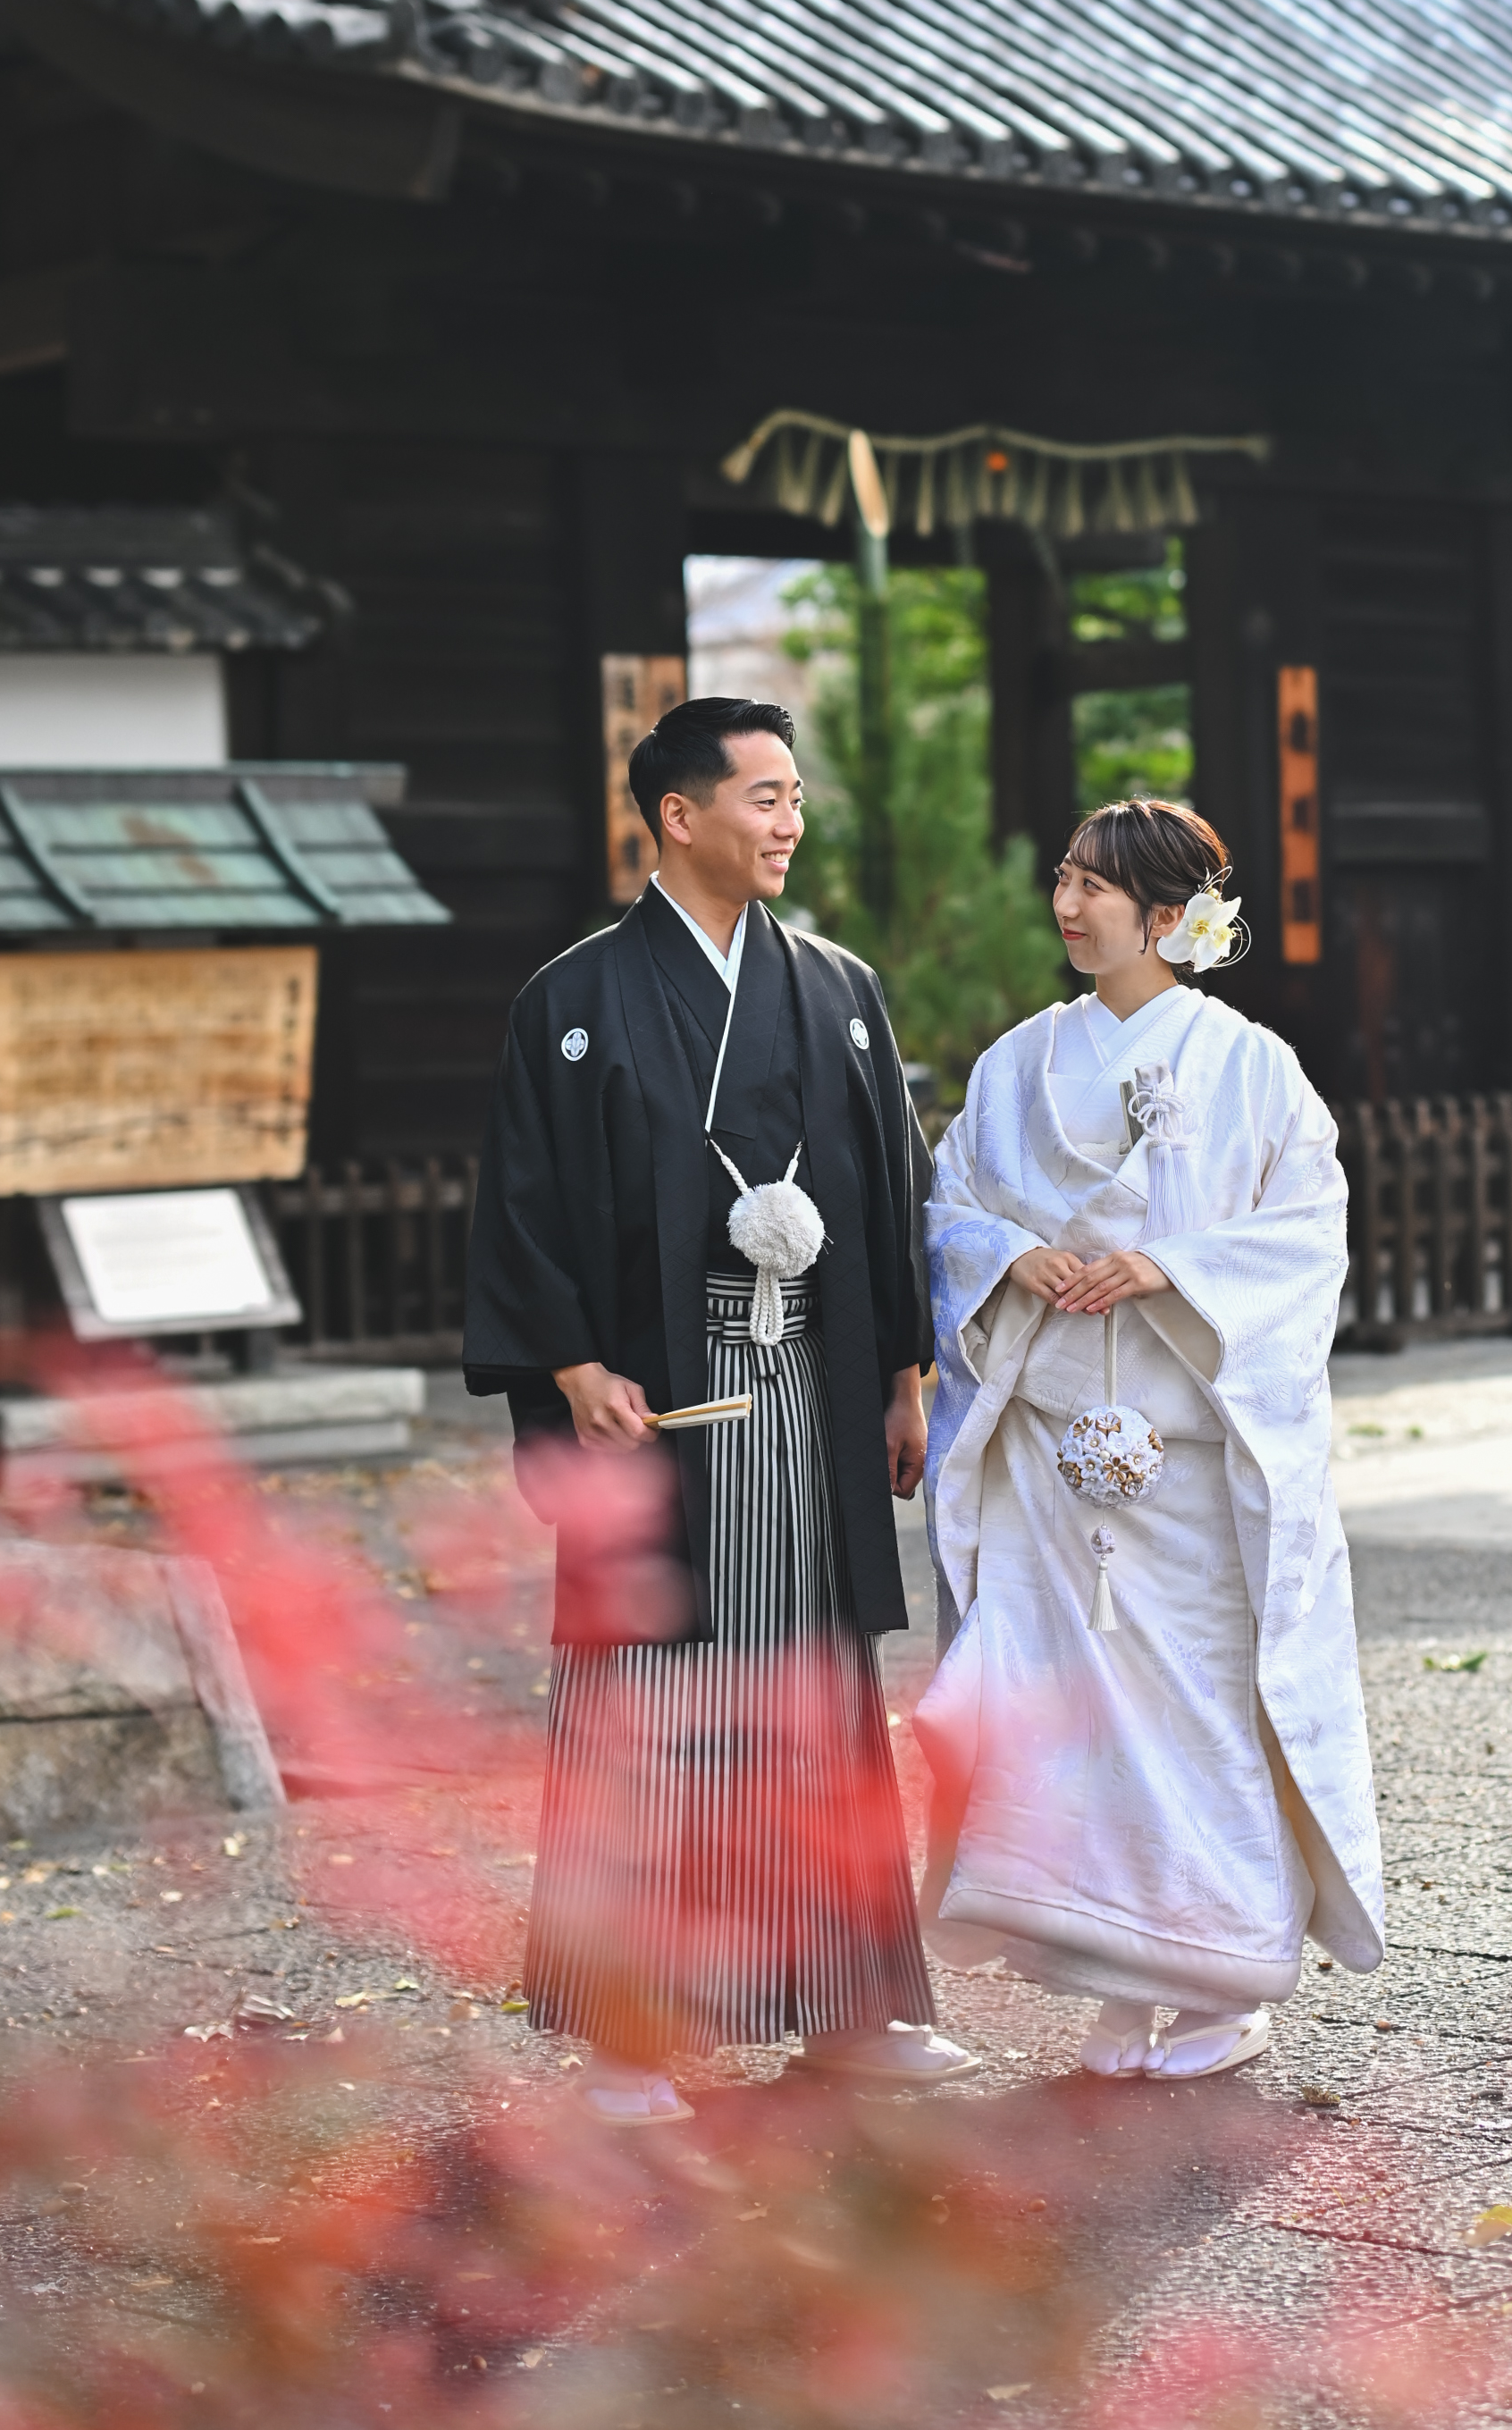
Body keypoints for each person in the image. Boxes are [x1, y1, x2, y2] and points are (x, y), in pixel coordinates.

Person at [462, 694, 976, 2118]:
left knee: (818, 1689)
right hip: (655, 1398)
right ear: (677, 816)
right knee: (653, 1696)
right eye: (765, 797)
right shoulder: (573, 1001)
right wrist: (572, 1367)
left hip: (809, 1382)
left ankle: (847, 2006)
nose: (791, 821)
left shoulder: (838, 988)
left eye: (796, 797)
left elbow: (892, 1189)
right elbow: (524, 1202)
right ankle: (632, 2035)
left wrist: (903, 1377)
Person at [918, 799, 1385, 2080]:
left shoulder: (1252, 1066)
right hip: (1053, 1454)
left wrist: (1171, 1267)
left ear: (1171, 917)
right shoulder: (1016, 1062)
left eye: (1098, 887)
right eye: (1065, 877)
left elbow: (1309, 1231)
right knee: (1070, 1724)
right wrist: (1009, 1253)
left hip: (1190, 1459)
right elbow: (950, 1203)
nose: (1069, 905)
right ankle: (1117, 1986)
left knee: (1201, 1712)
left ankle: (1223, 1984)